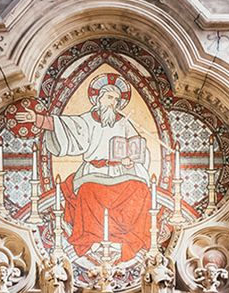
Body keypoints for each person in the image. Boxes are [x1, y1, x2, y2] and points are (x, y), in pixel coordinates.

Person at [15, 75, 152, 262]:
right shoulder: (86, 120)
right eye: (109, 98)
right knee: (88, 192)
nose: (113, 103)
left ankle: (127, 239)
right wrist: (37, 118)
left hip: (122, 172)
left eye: (116, 100)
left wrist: (132, 159)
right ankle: (92, 239)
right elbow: (64, 126)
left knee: (140, 190)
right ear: (98, 99)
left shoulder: (124, 122)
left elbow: (138, 148)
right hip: (94, 173)